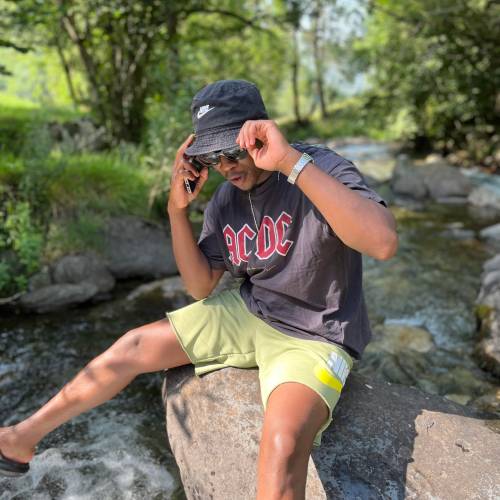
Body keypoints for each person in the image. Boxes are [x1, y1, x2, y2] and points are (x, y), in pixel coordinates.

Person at [0, 79, 397, 498]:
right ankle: (20, 439)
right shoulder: (226, 200)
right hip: (252, 311)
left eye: (234, 150)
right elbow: (200, 286)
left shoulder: (318, 167)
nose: (226, 166)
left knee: (282, 445)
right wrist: (177, 210)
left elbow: (383, 243)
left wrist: (289, 163)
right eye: (211, 155)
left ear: (262, 132)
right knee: (132, 346)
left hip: (316, 334)